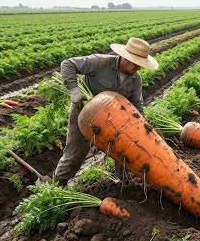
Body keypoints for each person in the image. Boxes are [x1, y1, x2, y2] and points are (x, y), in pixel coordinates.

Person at [53, 37, 159, 186]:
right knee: (74, 155)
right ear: (126, 58)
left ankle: (125, 184)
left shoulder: (136, 80)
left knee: (124, 151)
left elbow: (136, 103)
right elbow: (68, 64)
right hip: (84, 116)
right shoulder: (99, 62)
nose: (139, 68)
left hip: (114, 122)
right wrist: (74, 90)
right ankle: (58, 187)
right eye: (137, 64)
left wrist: (143, 124)